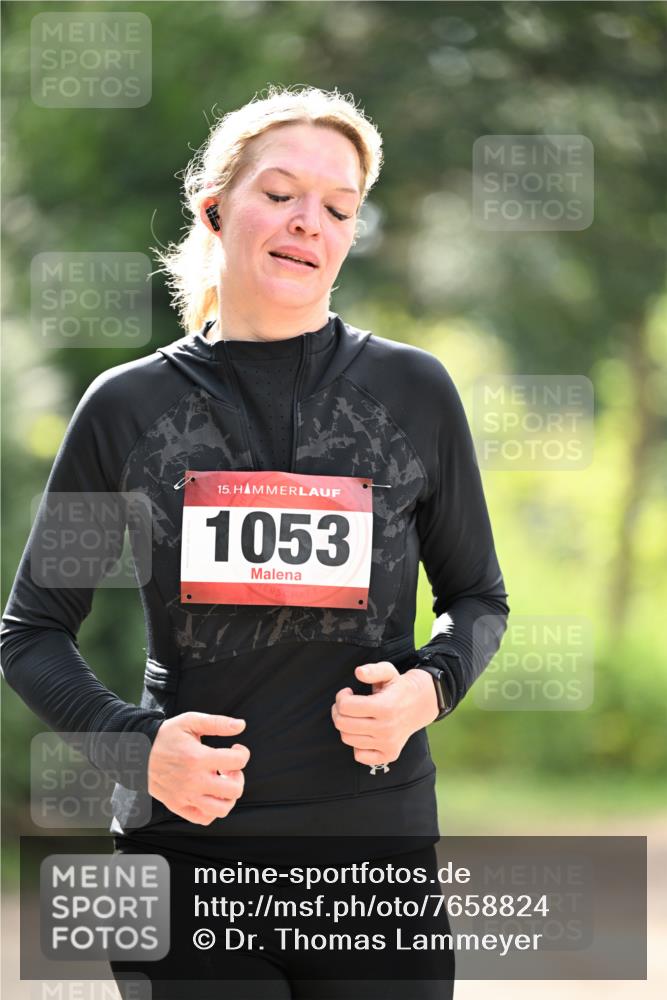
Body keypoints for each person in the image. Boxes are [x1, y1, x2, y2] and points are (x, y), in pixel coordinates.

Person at [1, 85, 509, 998]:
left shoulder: (413, 393)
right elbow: (31, 632)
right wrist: (133, 745)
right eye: (278, 194)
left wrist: (428, 690)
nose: (307, 221)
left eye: (338, 207)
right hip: (182, 869)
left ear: (351, 233)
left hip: (374, 870)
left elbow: (478, 598)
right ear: (214, 208)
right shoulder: (126, 409)